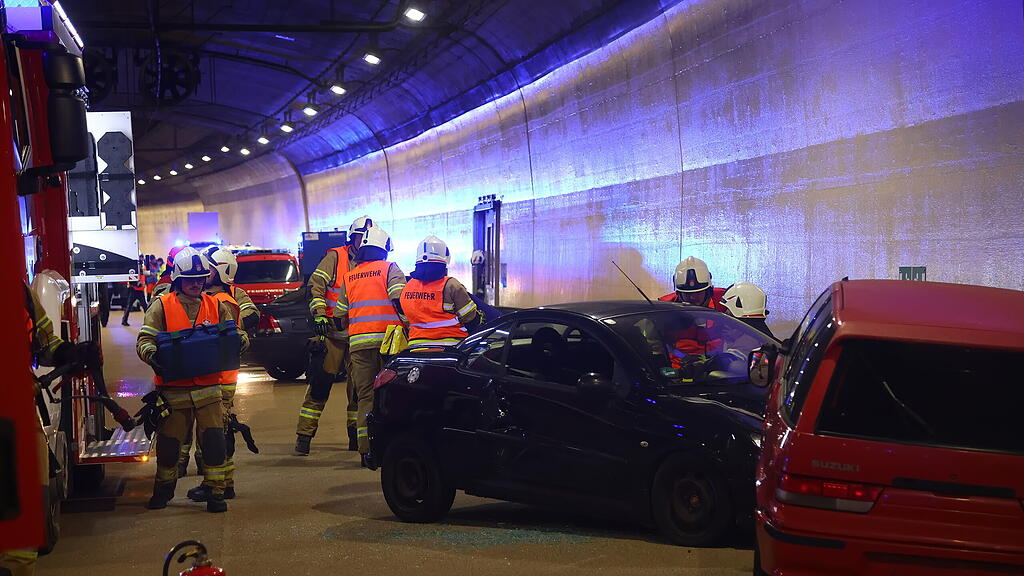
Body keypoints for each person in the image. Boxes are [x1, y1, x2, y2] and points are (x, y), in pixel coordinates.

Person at [135, 246, 248, 513]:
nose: (196, 283)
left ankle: (216, 493)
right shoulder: (161, 306)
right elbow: (145, 339)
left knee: (214, 441)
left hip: (209, 389)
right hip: (174, 391)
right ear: (178, 280)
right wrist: (151, 354)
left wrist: (240, 341)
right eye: (190, 279)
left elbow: (236, 334)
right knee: (169, 446)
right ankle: (163, 491)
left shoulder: (216, 304)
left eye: (200, 278)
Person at [1, 284, 95, 576]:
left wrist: (69, 353)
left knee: (26, 511)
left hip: (17, 412)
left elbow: (43, 343)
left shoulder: (18, 289)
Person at [178, 247, 259, 500]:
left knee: (217, 431)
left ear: (221, 271)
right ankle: (221, 482)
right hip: (214, 373)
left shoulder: (221, 302)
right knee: (215, 430)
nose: (203, 274)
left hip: (218, 377)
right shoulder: (216, 297)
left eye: (209, 269)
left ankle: (221, 484)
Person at [294, 215, 374, 456]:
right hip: (332, 332)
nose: (365, 240)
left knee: (359, 390)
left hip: (359, 335)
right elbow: (316, 285)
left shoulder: (373, 262)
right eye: (362, 236)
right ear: (353, 237)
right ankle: (304, 436)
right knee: (320, 384)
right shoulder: (335, 257)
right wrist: (319, 313)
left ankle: (355, 437)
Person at [334, 225, 406, 468]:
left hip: (358, 345)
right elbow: (400, 301)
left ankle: (366, 451)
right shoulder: (390, 269)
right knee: (390, 395)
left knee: (365, 396)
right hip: (389, 343)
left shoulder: (350, 276)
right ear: (384, 249)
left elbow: (339, 315)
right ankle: (390, 447)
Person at [401, 235, 480, 346]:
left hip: (415, 346)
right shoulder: (451, 285)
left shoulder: (407, 286)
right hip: (450, 347)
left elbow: (405, 319)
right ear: (445, 259)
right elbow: (470, 317)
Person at [659, 256, 728, 312]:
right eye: (687, 294)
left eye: (698, 292)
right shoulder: (665, 307)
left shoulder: (724, 301)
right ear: (679, 293)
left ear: (708, 291)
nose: (693, 297)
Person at [121, 256, 149, 326]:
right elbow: (130, 280)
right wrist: (134, 285)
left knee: (145, 307)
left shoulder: (143, 270)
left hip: (140, 291)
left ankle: (149, 321)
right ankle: (124, 321)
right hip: (133, 290)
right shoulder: (133, 271)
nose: (140, 265)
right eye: (139, 264)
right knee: (129, 307)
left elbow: (148, 275)